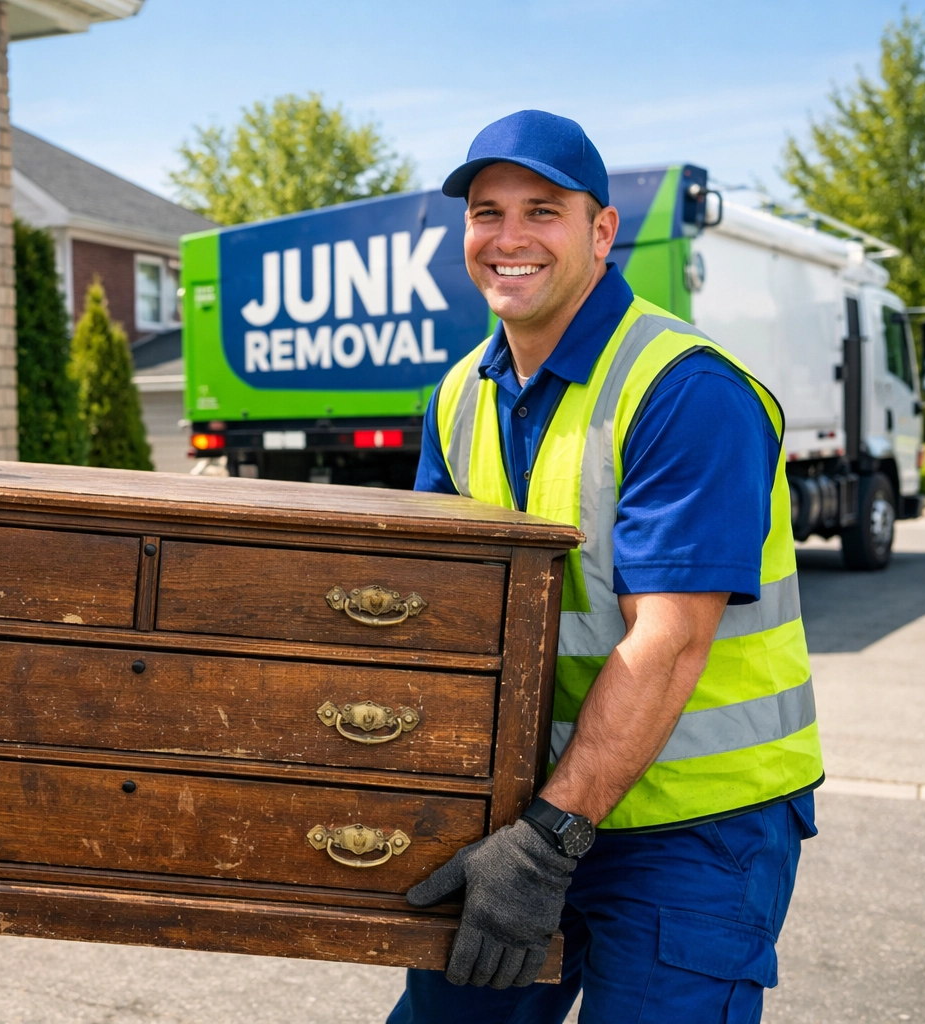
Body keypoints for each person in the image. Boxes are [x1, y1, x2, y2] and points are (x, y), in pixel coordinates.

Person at [390, 110, 822, 1023]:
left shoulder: (686, 389)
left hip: (694, 824)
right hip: (527, 806)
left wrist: (546, 842)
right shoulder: (459, 394)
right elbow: (443, 614)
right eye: (486, 211)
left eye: (542, 211)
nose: (508, 238)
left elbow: (668, 642)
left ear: (601, 231)